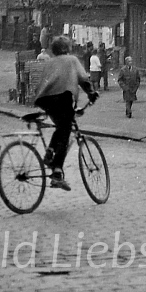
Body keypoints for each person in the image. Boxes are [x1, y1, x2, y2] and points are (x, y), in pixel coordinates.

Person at [30, 35, 97, 190]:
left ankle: (50, 152)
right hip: (63, 97)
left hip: (45, 100)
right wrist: (91, 93)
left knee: (61, 127)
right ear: (67, 48)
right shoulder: (72, 60)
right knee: (65, 132)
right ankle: (58, 172)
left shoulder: (49, 62)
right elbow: (83, 79)